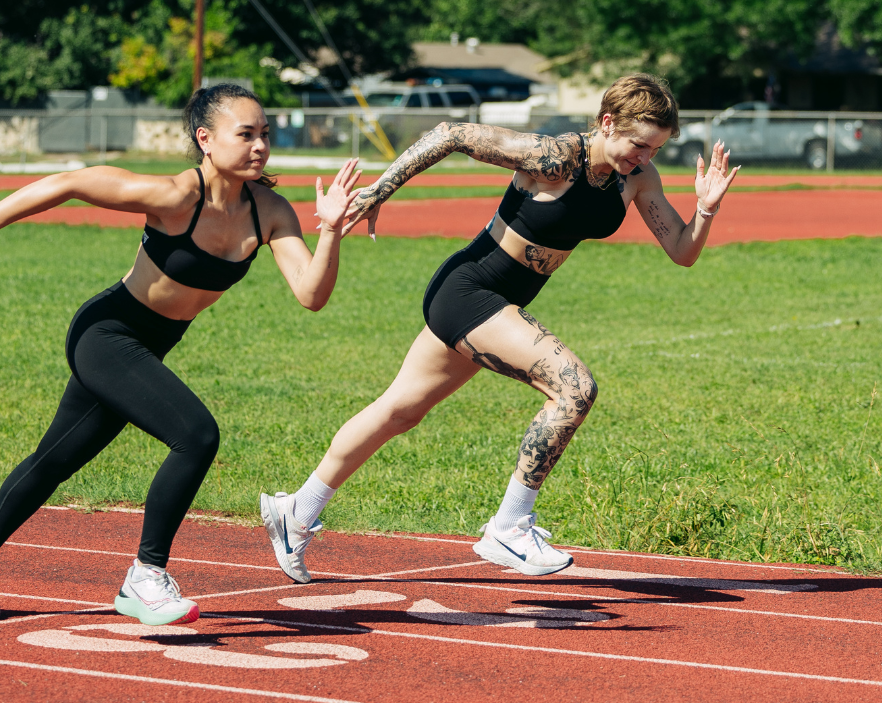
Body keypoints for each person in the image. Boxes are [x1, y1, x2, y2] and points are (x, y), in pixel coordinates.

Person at [261, 73, 738, 583]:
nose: (643, 156)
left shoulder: (637, 179)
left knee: (398, 411)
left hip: (499, 302)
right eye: (638, 143)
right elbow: (450, 133)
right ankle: (509, 526)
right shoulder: (554, 156)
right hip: (468, 291)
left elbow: (683, 251)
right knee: (574, 389)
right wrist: (382, 189)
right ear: (607, 123)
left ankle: (296, 511)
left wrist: (706, 207)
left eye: (656, 148)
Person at [0, 83, 359, 626]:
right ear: (206, 139)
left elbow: (311, 295)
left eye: (264, 134)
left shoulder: (268, 211)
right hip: (106, 335)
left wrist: (331, 229)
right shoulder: (175, 197)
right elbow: (72, 182)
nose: (260, 146)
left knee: (56, 459)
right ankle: (145, 576)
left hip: (149, 347)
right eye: (245, 134)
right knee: (196, 435)